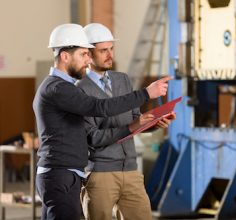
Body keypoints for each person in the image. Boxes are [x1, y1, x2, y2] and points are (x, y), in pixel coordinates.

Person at [33, 23, 171, 220]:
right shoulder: (60, 89)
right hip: (62, 173)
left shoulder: (60, 87)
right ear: (65, 56)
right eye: (83, 54)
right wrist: (146, 93)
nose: (87, 59)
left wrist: (147, 123)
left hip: (66, 173)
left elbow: (119, 115)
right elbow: (100, 108)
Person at [77, 23, 176, 220]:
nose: (109, 55)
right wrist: (134, 125)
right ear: (87, 54)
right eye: (103, 50)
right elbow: (93, 137)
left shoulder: (122, 80)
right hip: (100, 174)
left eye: (111, 49)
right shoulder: (80, 89)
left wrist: (152, 124)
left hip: (131, 171)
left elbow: (133, 121)